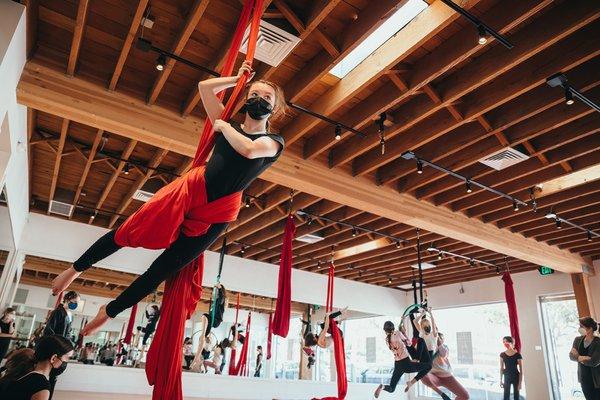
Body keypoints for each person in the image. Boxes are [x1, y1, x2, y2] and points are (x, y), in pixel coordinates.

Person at [50, 61, 286, 336]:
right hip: (189, 192)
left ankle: (110, 311)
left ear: (275, 107)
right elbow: (204, 88)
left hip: (216, 215)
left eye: (266, 98)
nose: (259, 101)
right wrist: (239, 79)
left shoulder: (273, 141)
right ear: (246, 99)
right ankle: (75, 270)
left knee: (163, 268)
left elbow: (248, 149)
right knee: (128, 230)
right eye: (254, 95)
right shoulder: (227, 125)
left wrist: (222, 125)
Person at [0, 335, 74, 400]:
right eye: (67, 358)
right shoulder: (41, 386)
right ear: (53, 358)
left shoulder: (23, 373)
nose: (67, 362)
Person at [374, 321, 431, 398]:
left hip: (397, 364)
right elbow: (408, 343)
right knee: (429, 366)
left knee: (391, 388)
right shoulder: (398, 333)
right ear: (393, 327)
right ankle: (411, 382)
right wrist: (403, 333)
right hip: (406, 364)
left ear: (385, 330)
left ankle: (382, 387)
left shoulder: (387, 340)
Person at [43, 290, 79, 400]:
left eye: (77, 302)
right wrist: (57, 345)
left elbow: (68, 333)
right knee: (48, 376)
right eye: (74, 301)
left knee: (54, 377)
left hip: (63, 350)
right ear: (67, 299)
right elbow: (48, 331)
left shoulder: (70, 315)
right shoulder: (58, 312)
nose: (75, 304)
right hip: (55, 349)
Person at [420, 333, 469, 400]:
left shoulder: (445, 347)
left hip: (447, 377)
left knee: (465, 396)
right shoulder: (428, 349)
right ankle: (442, 395)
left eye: (440, 338)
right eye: (437, 338)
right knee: (422, 375)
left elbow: (443, 354)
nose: (438, 340)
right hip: (434, 376)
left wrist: (439, 343)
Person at [570, 316, 600, 400]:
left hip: (597, 380)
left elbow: (594, 362)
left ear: (590, 328)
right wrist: (581, 358)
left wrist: (578, 357)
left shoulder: (598, 342)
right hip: (584, 378)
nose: (579, 328)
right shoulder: (577, 340)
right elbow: (571, 356)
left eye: (581, 326)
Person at [499, 336, 523, 400]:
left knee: (516, 396)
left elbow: (521, 371)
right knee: (506, 396)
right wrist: (501, 380)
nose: (504, 343)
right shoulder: (502, 354)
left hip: (516, 377)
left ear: (511, 342)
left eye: (506, 341)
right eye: (503, 342)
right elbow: (501, 368)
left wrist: (520, 383)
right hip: (507, 377)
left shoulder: (518, 355)